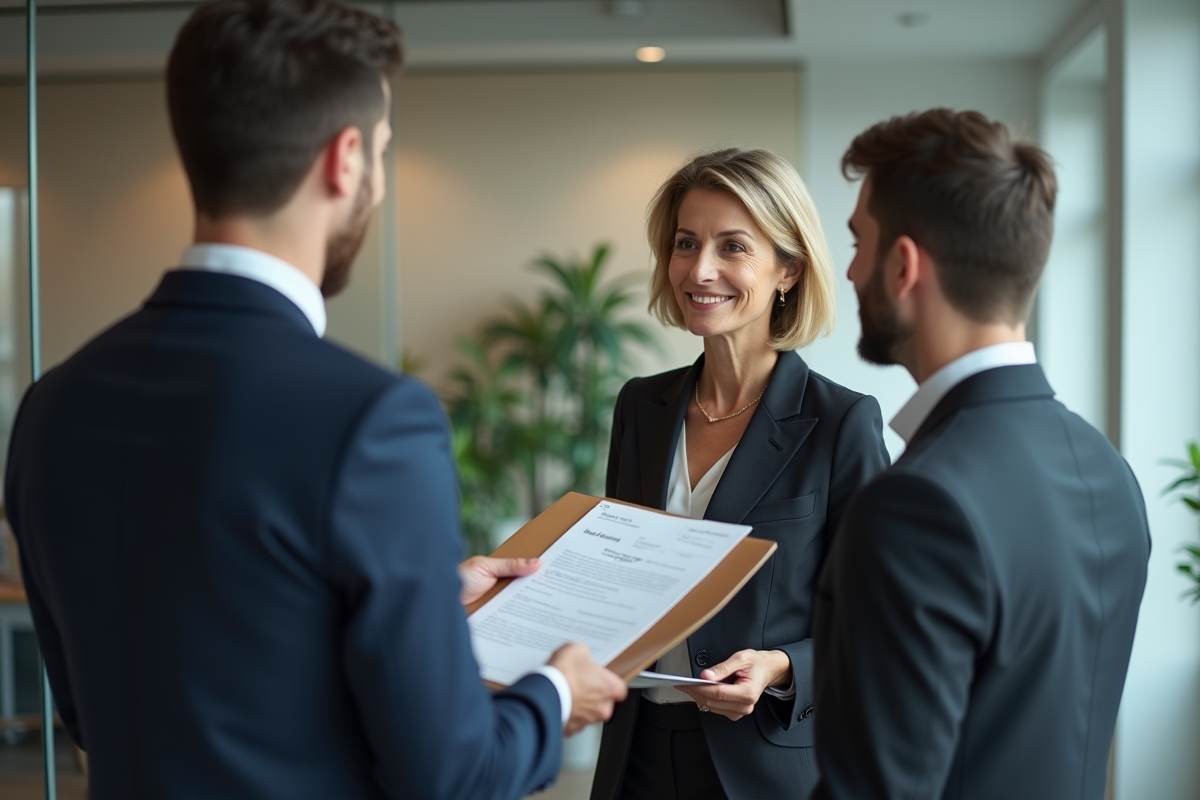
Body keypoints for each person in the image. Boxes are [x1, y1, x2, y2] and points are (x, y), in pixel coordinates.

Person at [3, 0, 626, 798]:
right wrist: (557, 692)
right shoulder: (374, 420)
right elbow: (451, 775)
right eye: (384, 151)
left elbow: (105, 707)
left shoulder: (51, 406)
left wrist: (423, 601)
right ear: (346, 159)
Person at [811, 109, 1150, 800]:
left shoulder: (915, 503)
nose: (848, 269)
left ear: (903, 266)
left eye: (857, 241)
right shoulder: (1108, 470)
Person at [589, 148, 890, 800]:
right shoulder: (640, 405)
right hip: (635, 752)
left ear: (788, 269)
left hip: (762, 765)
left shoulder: (842, 422)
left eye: (733, 247)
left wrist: (781, 667)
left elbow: (878, 623)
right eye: (686, 243)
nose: (700, 270)